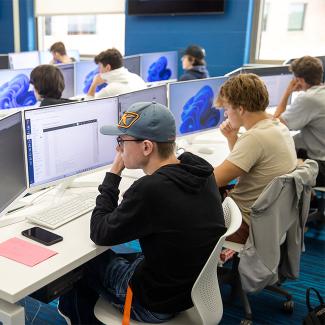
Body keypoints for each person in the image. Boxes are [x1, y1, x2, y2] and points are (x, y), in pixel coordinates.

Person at [58, 102, 226, 324]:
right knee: (107, 257)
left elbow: (99, 233)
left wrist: (114, 172)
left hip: (152, 303)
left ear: (147, 147)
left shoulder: (152, 189)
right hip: (184, 288)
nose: (119, 149)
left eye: (122, 141)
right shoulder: (198, 168)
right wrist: (138, 197)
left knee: (77, 264)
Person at [214, 73, 297, 244]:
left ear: (241, 109)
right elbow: (246, 164)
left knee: (179, 212)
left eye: (227, 108)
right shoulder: (277, 126)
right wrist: (232, 137)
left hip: (243, 224)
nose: (226, 114)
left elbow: (213, 180)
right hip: (270, 217)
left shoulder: (255, 138)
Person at [274, 56, 325, 186]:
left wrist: (287, 92)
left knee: (275, 164)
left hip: (322, 166)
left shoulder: (309, 99)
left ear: (300, 80)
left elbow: (276, 123)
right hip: (318, 154)